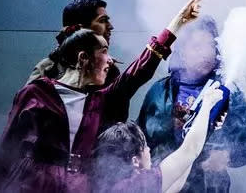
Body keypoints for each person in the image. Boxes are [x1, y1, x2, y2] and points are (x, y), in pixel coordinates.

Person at [0, 0, 203, 193]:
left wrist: (177, 23)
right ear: (83, 57)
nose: (110, 60)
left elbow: (139, 71)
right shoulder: (37, 90)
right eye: (103, 52)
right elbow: (6, 150)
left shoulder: (100, 98)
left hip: (87, 181)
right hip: (38, 183)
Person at [138, 16, 246, 193]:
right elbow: (140, 139)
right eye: (197, 47)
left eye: (211, 46)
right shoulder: (159, 91)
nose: (206, 53)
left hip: (210, 187)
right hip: (163, 184)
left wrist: (227, 156)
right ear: (182, 52)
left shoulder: (228, 93)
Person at [92, 82, 226, 193]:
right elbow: (191, 150)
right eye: (144, 147)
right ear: (135, 161)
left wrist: (207, 125)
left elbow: (176, 184)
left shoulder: (112, 185)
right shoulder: (137, 186)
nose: (148, 149)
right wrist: (208, 103)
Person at [28, 0, 120, 86]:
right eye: (103, 20)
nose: (110, 26)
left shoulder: (110, 71)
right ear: (80, 29)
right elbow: (27, 98)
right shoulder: (47, 69)